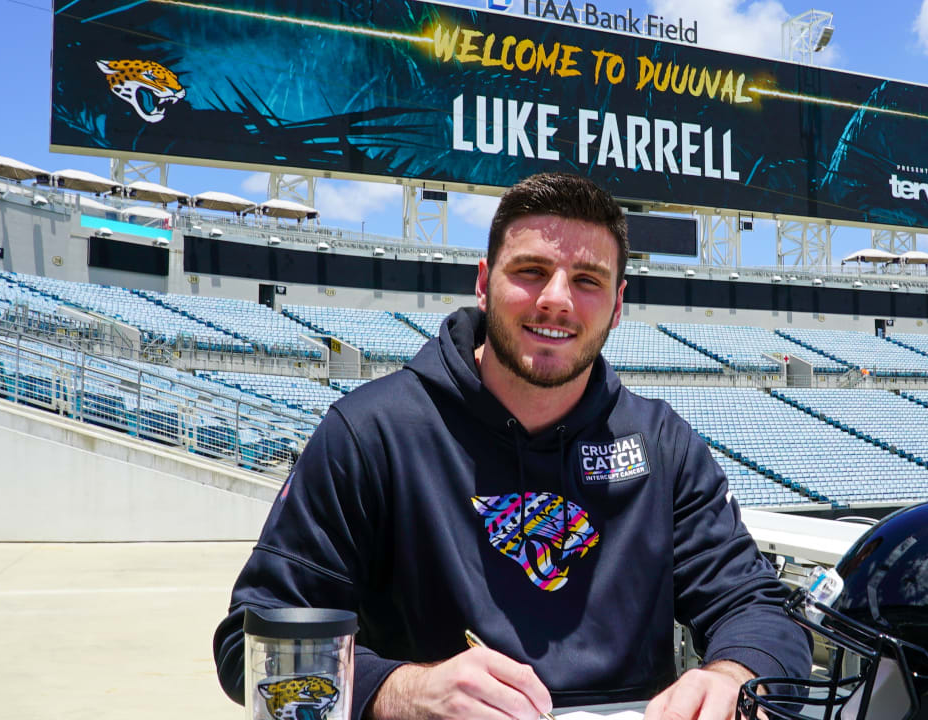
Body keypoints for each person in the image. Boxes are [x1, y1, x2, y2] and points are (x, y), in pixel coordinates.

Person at [213, 172, 811, 720]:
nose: (556, 298)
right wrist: (402, 691)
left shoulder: (662, 443)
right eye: (530, 272)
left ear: (618, 305)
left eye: (587, 280)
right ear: (483, 283)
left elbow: (758, 608)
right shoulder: (370, 433)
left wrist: (735, 674)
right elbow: (253, 645)